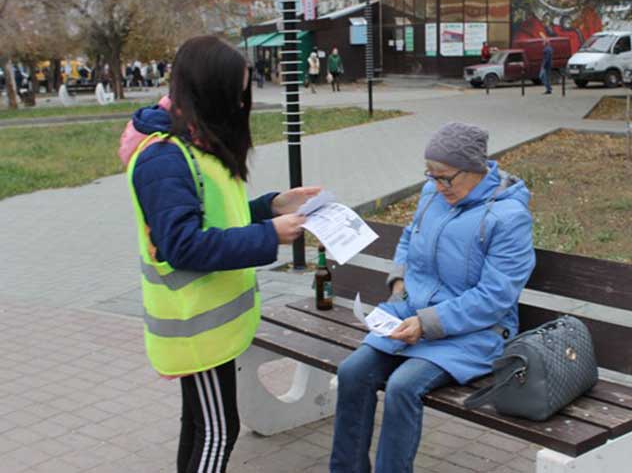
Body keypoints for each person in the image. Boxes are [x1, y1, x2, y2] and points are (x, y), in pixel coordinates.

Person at [120, 35, 319, 473]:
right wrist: (270, 236)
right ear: (208, 91)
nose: (240, 103)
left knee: (200, 424)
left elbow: (216, 218)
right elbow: (184, 244)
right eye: (235, 93)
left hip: (210, 325)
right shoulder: (165, 159)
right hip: (196, 327)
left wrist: (271, 206)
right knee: (219, 430)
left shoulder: (195, 143)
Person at [329, 122, 536, 473]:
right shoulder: (433, 195)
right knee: (352, 373)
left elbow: (496, 297)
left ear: (474, 169)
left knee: (402, 387)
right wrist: (399, 284)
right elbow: (410, 239)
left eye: (445, 178)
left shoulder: (509, 217)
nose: (437, 186)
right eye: (431, 175)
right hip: (413, 315)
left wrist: (426, 324)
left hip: (475, 332)